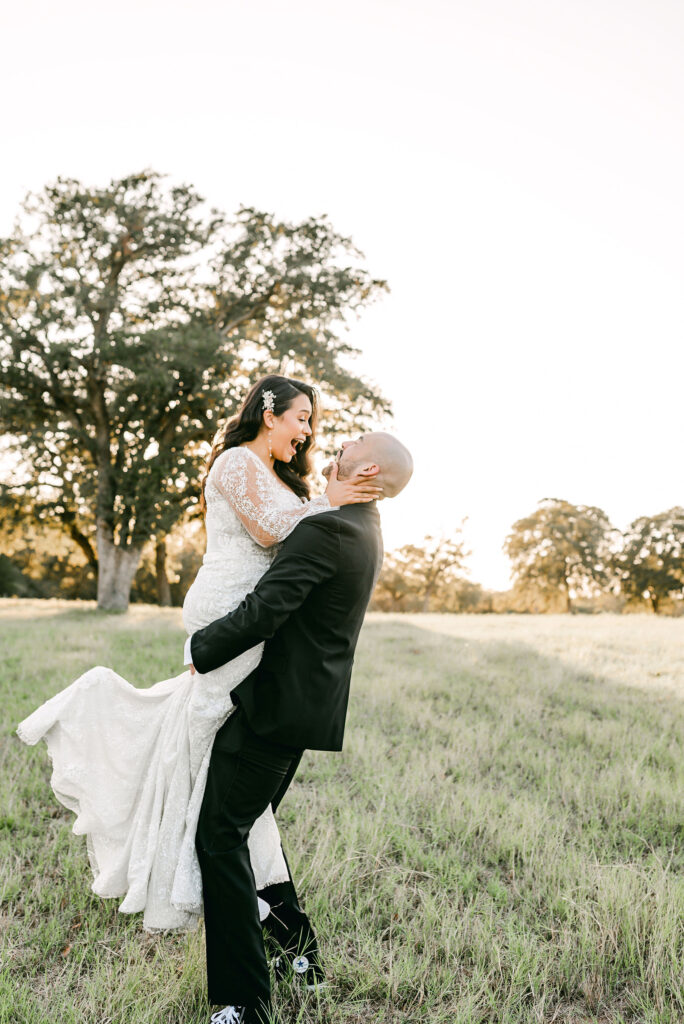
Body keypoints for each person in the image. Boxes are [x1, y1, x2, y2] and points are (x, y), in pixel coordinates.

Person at [16, 374, 380, 932]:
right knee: (216, 771)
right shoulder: (236, 462)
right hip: (229, 622)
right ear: (269, 413)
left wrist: (325, 497)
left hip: (253, 626)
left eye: (311, 422)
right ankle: (248, 905)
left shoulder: (287, 480)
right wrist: (327, 500)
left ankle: (255, 907)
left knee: (221, 775)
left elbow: (302, 539)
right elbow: (266, 533)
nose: (307, 433)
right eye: (302, 418)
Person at [185, 429, 413, 1024]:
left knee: (221, 837)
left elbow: (267, 610)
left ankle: (246, 1002)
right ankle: (300, 959)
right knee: (256, 831)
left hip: (273, 711)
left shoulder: (328, 529)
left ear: (368, 476)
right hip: (301, 711)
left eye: (351, 447)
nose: (337, 447)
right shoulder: (364, 529)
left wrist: (200, 646)